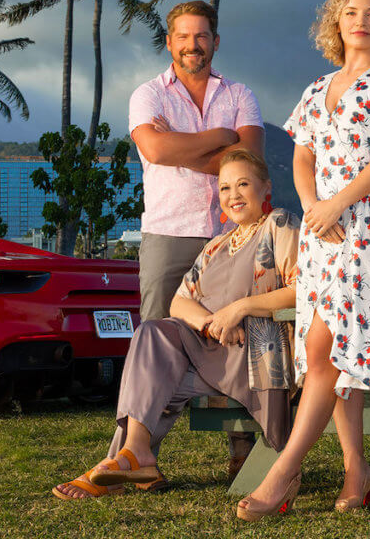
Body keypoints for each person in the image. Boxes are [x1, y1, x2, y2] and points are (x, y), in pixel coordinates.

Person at [234, 0, 370, 521]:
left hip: (360, 230)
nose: (361, 20)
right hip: (320, 231)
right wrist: (315, 207)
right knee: (333, 358)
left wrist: (338, 204)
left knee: (323, 351)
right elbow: (300, 156)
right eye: (351, 13)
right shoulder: (316, 89)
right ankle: (357, 470)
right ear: (335, 23)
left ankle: (284, 470)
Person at [52, 149, 300, 499]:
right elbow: (179, 301)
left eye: (243, 184)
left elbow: (303, 289)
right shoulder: (216, 245)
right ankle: (137, 451)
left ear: (265, 188)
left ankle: (121, 463)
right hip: (210, 353)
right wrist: (212, 322)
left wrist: (240, 309)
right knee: (152, 333)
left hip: (253, 356)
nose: (233, 195)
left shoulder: (280, 224)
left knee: (156, 371)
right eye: (225, 188)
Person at [129, 0, 266, 473]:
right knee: (156, 343)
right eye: (183, 36)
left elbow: (249, 162)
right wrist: (222, 137)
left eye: (202, 36)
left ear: (215, 41)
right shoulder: (148, 95)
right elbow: (154, 147)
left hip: (233, 235)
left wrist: (181, 148)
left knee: (237, 339)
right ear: (169, 42)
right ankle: (135, 454)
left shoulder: (241, 93)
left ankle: (242, 452)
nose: (193, 45)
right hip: (169, 234)